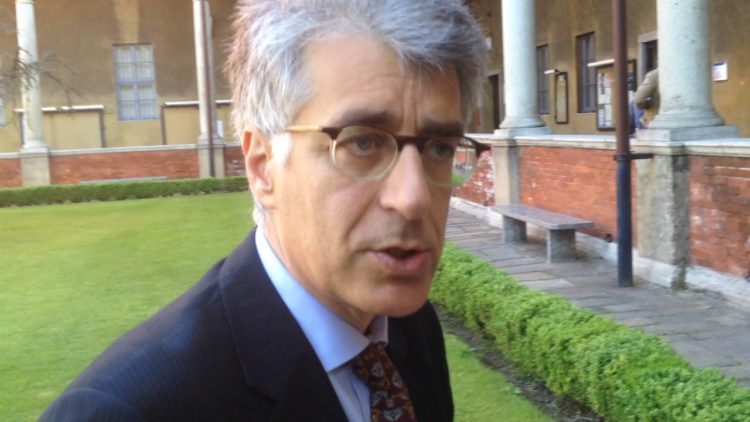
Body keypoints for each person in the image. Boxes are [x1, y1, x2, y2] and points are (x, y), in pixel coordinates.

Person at [40, 0, 488, 420]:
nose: (413, 196)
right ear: (263, 165)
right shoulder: (125, 409)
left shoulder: (409, 326)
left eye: (440, 147)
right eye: (363, 143)